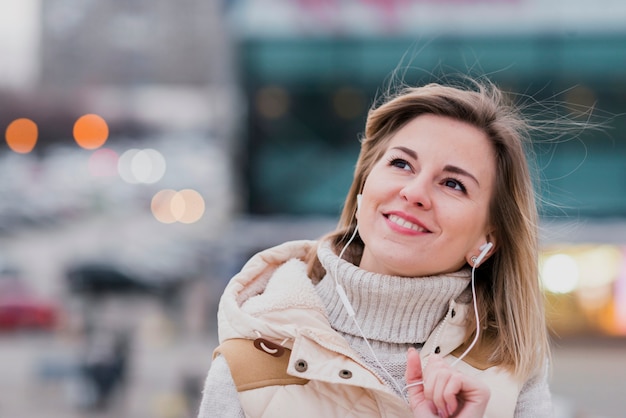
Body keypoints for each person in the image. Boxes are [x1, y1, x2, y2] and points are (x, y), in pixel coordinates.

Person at [197, 78, 553, 417]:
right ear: (364, 184)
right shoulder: (249, 363)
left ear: (487, 238)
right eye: (401, 164)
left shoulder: (511, 369)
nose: (414, 193)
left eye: (452, 184)